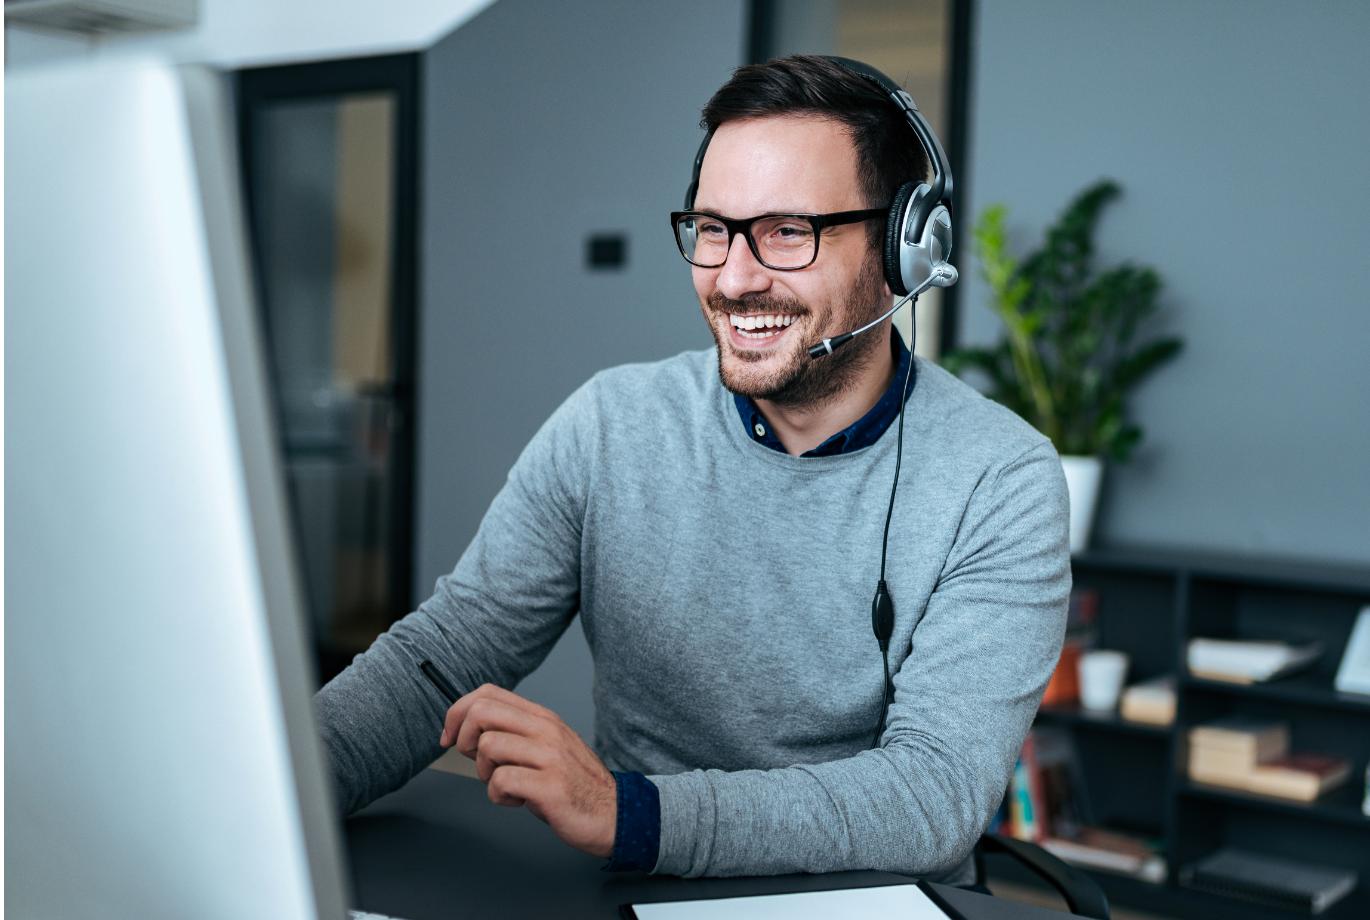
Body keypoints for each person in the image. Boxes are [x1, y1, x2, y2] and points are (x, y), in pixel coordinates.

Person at [317, 55, 1069, 887]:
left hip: (869, 898)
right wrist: (275, 789)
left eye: (789, 231)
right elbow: (446, 654)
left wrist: (631, 813)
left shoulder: (1000, 479)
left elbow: (932, 796)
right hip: (644, 886)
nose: (735, 278)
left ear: (902, 248)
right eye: (714, 229)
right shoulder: (610, 425)